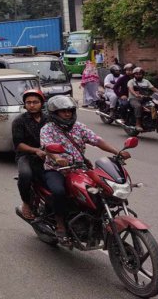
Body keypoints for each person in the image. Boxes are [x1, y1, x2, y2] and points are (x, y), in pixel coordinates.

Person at [40, 96, 130, 245]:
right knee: (59, 192)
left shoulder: (79, 127)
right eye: (63, 111)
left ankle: (95, 218)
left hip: (80, 168)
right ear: (54, 113)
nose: (67, 114)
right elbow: (48, 147)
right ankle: (60, 224)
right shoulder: (47, 129)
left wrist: (117, 152)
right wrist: (57, 159)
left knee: (103, 189)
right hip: (57, 169)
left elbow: (97, 140)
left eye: (70, 110)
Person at [12, 89, 48, 220]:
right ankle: (26, 203)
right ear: (25, 105)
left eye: (35, 102)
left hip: (49, 155)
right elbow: (19, 144)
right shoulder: (19, 121)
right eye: (28, 102)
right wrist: (36, 150)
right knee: (26, 175)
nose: (32, 105)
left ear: (42, 103)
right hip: (26, 156)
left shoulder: (49, 119)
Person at [127, 67, 158, 131]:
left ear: (142, 74)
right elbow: (131, 89)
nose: (138, 75)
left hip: (145, 98)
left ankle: (154, 122)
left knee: (154, 106)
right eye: (136, 74)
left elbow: (153, 88)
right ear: (134, 75)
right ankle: (138, 124)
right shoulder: (131, 81)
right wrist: (136, 95)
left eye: (140, 74)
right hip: (134, 99)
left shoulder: (146, 81)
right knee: (138, 106)